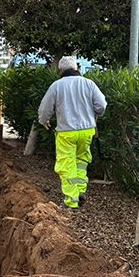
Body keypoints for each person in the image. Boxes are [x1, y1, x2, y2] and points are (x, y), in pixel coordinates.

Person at [38, 57, 107, 210]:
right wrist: (95, 115)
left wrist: (44, 120)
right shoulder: (89, 84)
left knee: (66, 165)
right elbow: (101, 105)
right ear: (77, 68)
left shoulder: (57, 86)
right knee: (81, 162)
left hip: (66, 132)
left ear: (61, 71)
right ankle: (81, 191)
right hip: (87, 131)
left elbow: (45, 108)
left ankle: (72, 201)